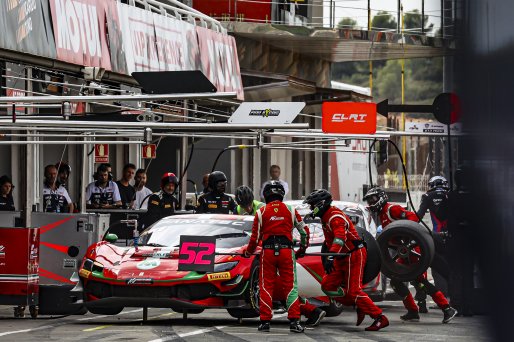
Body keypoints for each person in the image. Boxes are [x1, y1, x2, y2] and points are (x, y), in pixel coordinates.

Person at [363, 187, 457, 323]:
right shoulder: (382, 215)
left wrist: (404, 235)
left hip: (413, 250)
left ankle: (447, 308)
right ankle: (413, 311)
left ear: (381, 198)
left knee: (420, 282)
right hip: (403, 252)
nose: (371, 203)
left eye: (373, 199)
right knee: (396, 280)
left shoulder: (392, 209)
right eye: (369, 201)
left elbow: (413, 218)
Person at [304, 189, 389, 331]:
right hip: (341, 256)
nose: (311, 209)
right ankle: (360, 304)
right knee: (327, 285)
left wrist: (331, 256)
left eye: (312, 205)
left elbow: (340, 238)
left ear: (321, 204)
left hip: (353, 254)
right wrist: (330, 256)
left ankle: (380, 317)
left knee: (354, 292)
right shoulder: (325, 216)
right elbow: (330, 240)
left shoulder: (335, 217)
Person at [242, 181, 308, 333]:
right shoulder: (291, 210)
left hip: (268, 252)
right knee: (290, 286)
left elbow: (254, 238)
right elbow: (304, 231)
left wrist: (248, 252)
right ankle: (294, 322)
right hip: (286, 252)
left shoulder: (261, 212)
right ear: (281, 194)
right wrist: (303, 247)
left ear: (265, 195)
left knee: (266, 286)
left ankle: (265, 322)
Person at [446, 168, 475, 316]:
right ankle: (468, 306)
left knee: (456, 273)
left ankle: (456, 304)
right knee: (468, 274)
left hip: (455, 238)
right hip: (471, 240)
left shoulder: (452, 196)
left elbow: (442, 213)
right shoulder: (476, 197)